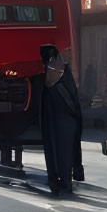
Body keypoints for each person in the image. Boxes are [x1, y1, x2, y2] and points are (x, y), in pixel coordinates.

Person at [39, 45, 81, 198]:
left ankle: (59, 181)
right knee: (65, 153)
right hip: (66, 122)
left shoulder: (50, 75)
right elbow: (71, 102)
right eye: (68, 50)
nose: (70, 53)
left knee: (57, 152)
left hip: (55, 122)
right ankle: (65, 182)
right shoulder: (61, 73)